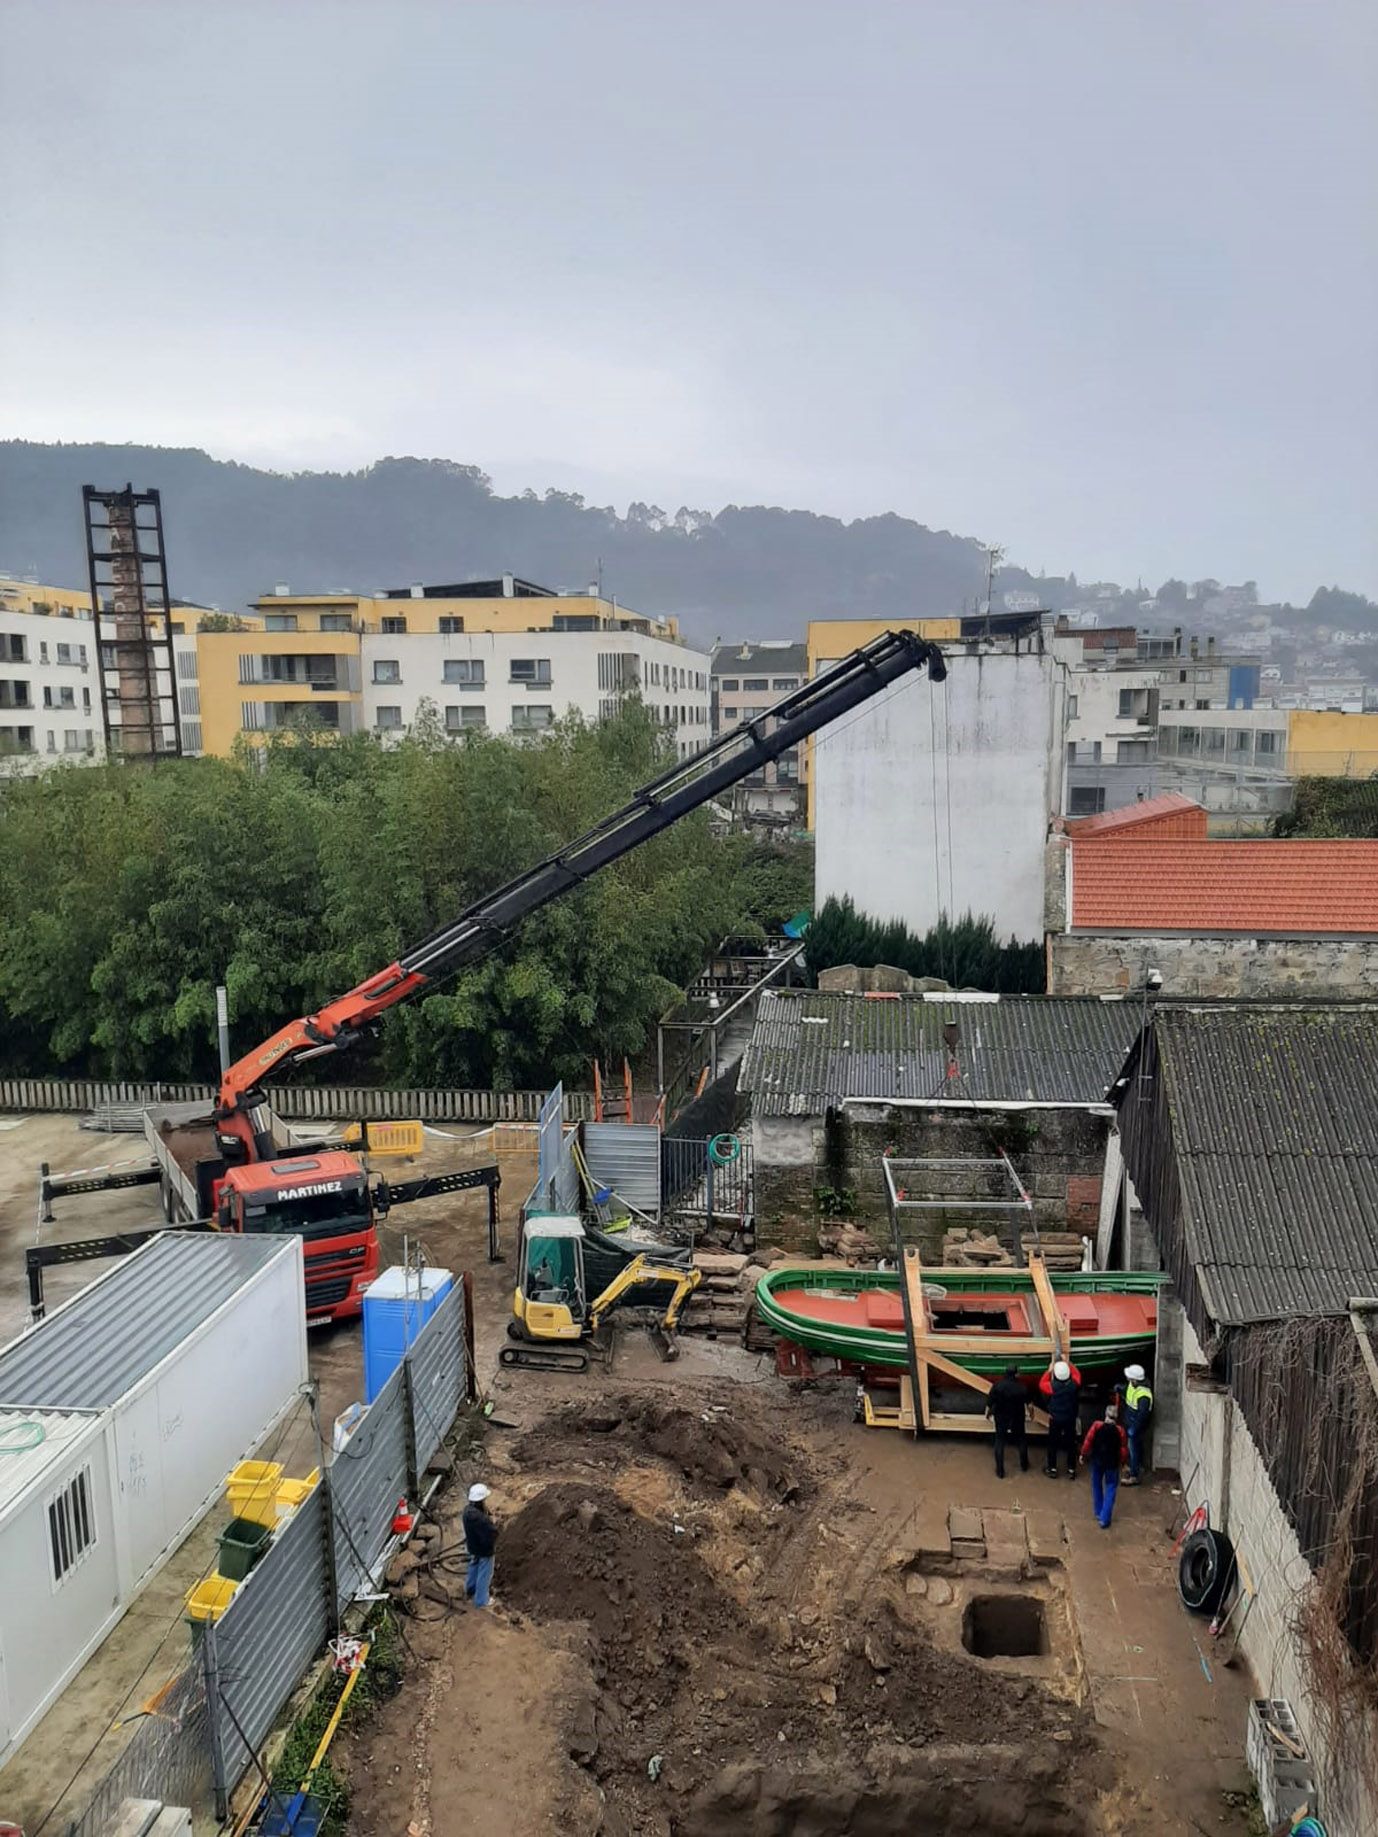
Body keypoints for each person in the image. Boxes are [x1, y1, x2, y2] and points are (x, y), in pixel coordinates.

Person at [1080, 1405, 1130, 1529]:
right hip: (1112, 1463)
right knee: (1111, 1488)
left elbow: (1088, 1441)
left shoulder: (1097, 1426)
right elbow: (1123, 1450)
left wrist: (1083, 1454)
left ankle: (1098, 1511)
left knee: (1096, 1485)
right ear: (1116, 1417)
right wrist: (1123, 1463)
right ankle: (1104, 1518)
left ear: (1105, 1415)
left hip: (1097, 1460)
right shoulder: (1120, 1431)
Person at [1039, 1357, 1083, 1478]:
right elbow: (1077, 1375)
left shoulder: (1052, 1387)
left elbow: (1042, 1383)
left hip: (1055, 1419)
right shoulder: (1073, 1385)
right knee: (1070, 1444)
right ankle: (1071, 1470)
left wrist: (1049, 1370)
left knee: (1053, 1444)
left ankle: (1052, 1468)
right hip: (1070, 1418)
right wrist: (1068, 1362)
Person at [984, 1363, 1030, 1479]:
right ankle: (1024, 1465)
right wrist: (1032, 1414)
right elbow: (1030, 1405)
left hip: (1001, 1417)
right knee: (1021, 1440)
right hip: (1017, 1417)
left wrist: (987, 1414)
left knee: (999, 1442)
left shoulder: (998, 1386)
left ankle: (1000, 1471)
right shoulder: (1022, 1387)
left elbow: (989, 1403)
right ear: (1016, 1374)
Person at [462, 1481, 498, 1607]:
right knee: (485, 1574)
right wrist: (493, 1523)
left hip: (473, 1547)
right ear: (481, 1500)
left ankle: (470, 1588)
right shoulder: (482, 1520)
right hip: (484, 1550)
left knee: (474, 1565)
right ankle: (481, 1600)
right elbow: (492, 1533)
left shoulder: (467, 1512)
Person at [1121, 1364, 1154, 1485]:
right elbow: (1128, 1391)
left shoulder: (1144, 1396)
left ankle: (1134, 1476)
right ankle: (1134, 1467)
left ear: (1135, 1380)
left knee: (1134, 1450)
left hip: (1136, 1427)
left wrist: (1134, 1428)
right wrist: (1121, 1388)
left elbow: (1142, 1415)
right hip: (1130, 1422)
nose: (1128, 1380)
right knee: (1132, 1449)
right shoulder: (1134, 1385)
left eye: (1130, 1379)